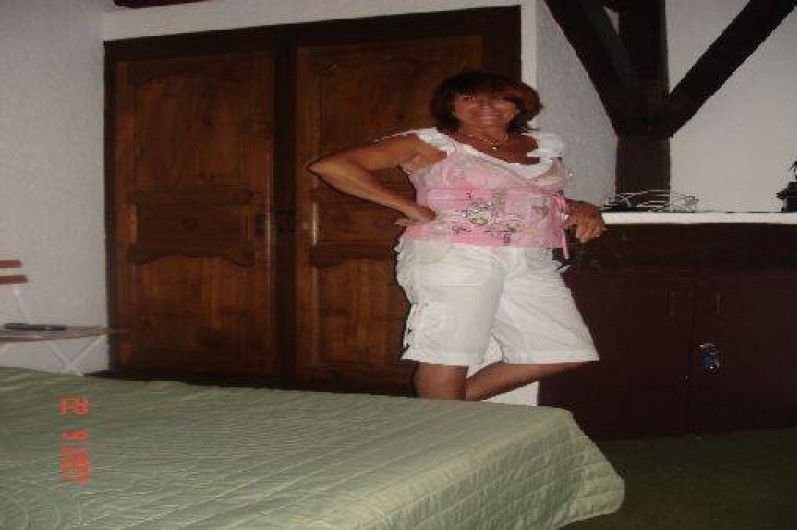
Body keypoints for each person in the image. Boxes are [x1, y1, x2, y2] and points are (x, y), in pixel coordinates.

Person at [308, 70, 606, 401]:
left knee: (560, 349)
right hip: (455, 255)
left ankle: (447, 413)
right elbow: (334, 166)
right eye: (470, 98)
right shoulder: (429, 143)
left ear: (518, 105)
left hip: (530, 256)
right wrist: (409, 207)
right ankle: (444, 423)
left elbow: (538, 196)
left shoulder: (540, 146)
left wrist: (581, 208)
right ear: (451, 106)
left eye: (499, 98)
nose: (486, 106)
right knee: (449, 354)